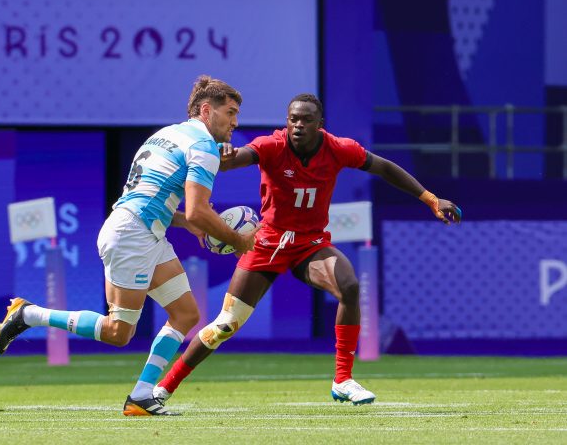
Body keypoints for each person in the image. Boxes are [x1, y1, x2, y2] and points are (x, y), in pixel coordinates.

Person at [153, 94, 462, 405]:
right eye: (293, 119)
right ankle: (163, 388)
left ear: (320, 125)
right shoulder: (272, 145)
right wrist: (226, 156)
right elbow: (242, 156)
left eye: (305, 120)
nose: (298, 125)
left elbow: (384, 168)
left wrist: (431, 199)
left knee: (350, 287)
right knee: (225, 325)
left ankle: (343, 379)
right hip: (267, 243)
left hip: (309, 245)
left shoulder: (339, 149)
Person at [0, 76, 258, 416]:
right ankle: (29, 314)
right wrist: (238, 241)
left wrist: (190, 225)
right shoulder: (203, 147)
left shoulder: (165, 135)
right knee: (118, 332)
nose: (235, 122)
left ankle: (142, 396)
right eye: (230, 112)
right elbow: (198, 210)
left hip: (141, 231)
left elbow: (161, 202)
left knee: (186, 314)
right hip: (133, 236)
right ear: (207, 110)